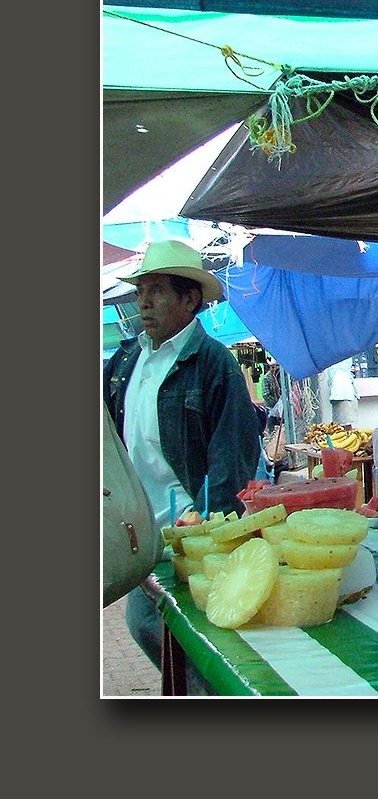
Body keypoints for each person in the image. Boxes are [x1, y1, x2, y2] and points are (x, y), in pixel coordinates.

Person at [102, 239, 264, 693]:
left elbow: (233, 459)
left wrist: (208, 530)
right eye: (140, 291)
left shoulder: (214, 364)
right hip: (140, 535)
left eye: (156, 290)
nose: (144, 302)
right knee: (151, 630)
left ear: (190, 298)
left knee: (180, 636)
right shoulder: (125, 361)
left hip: (188, 535)